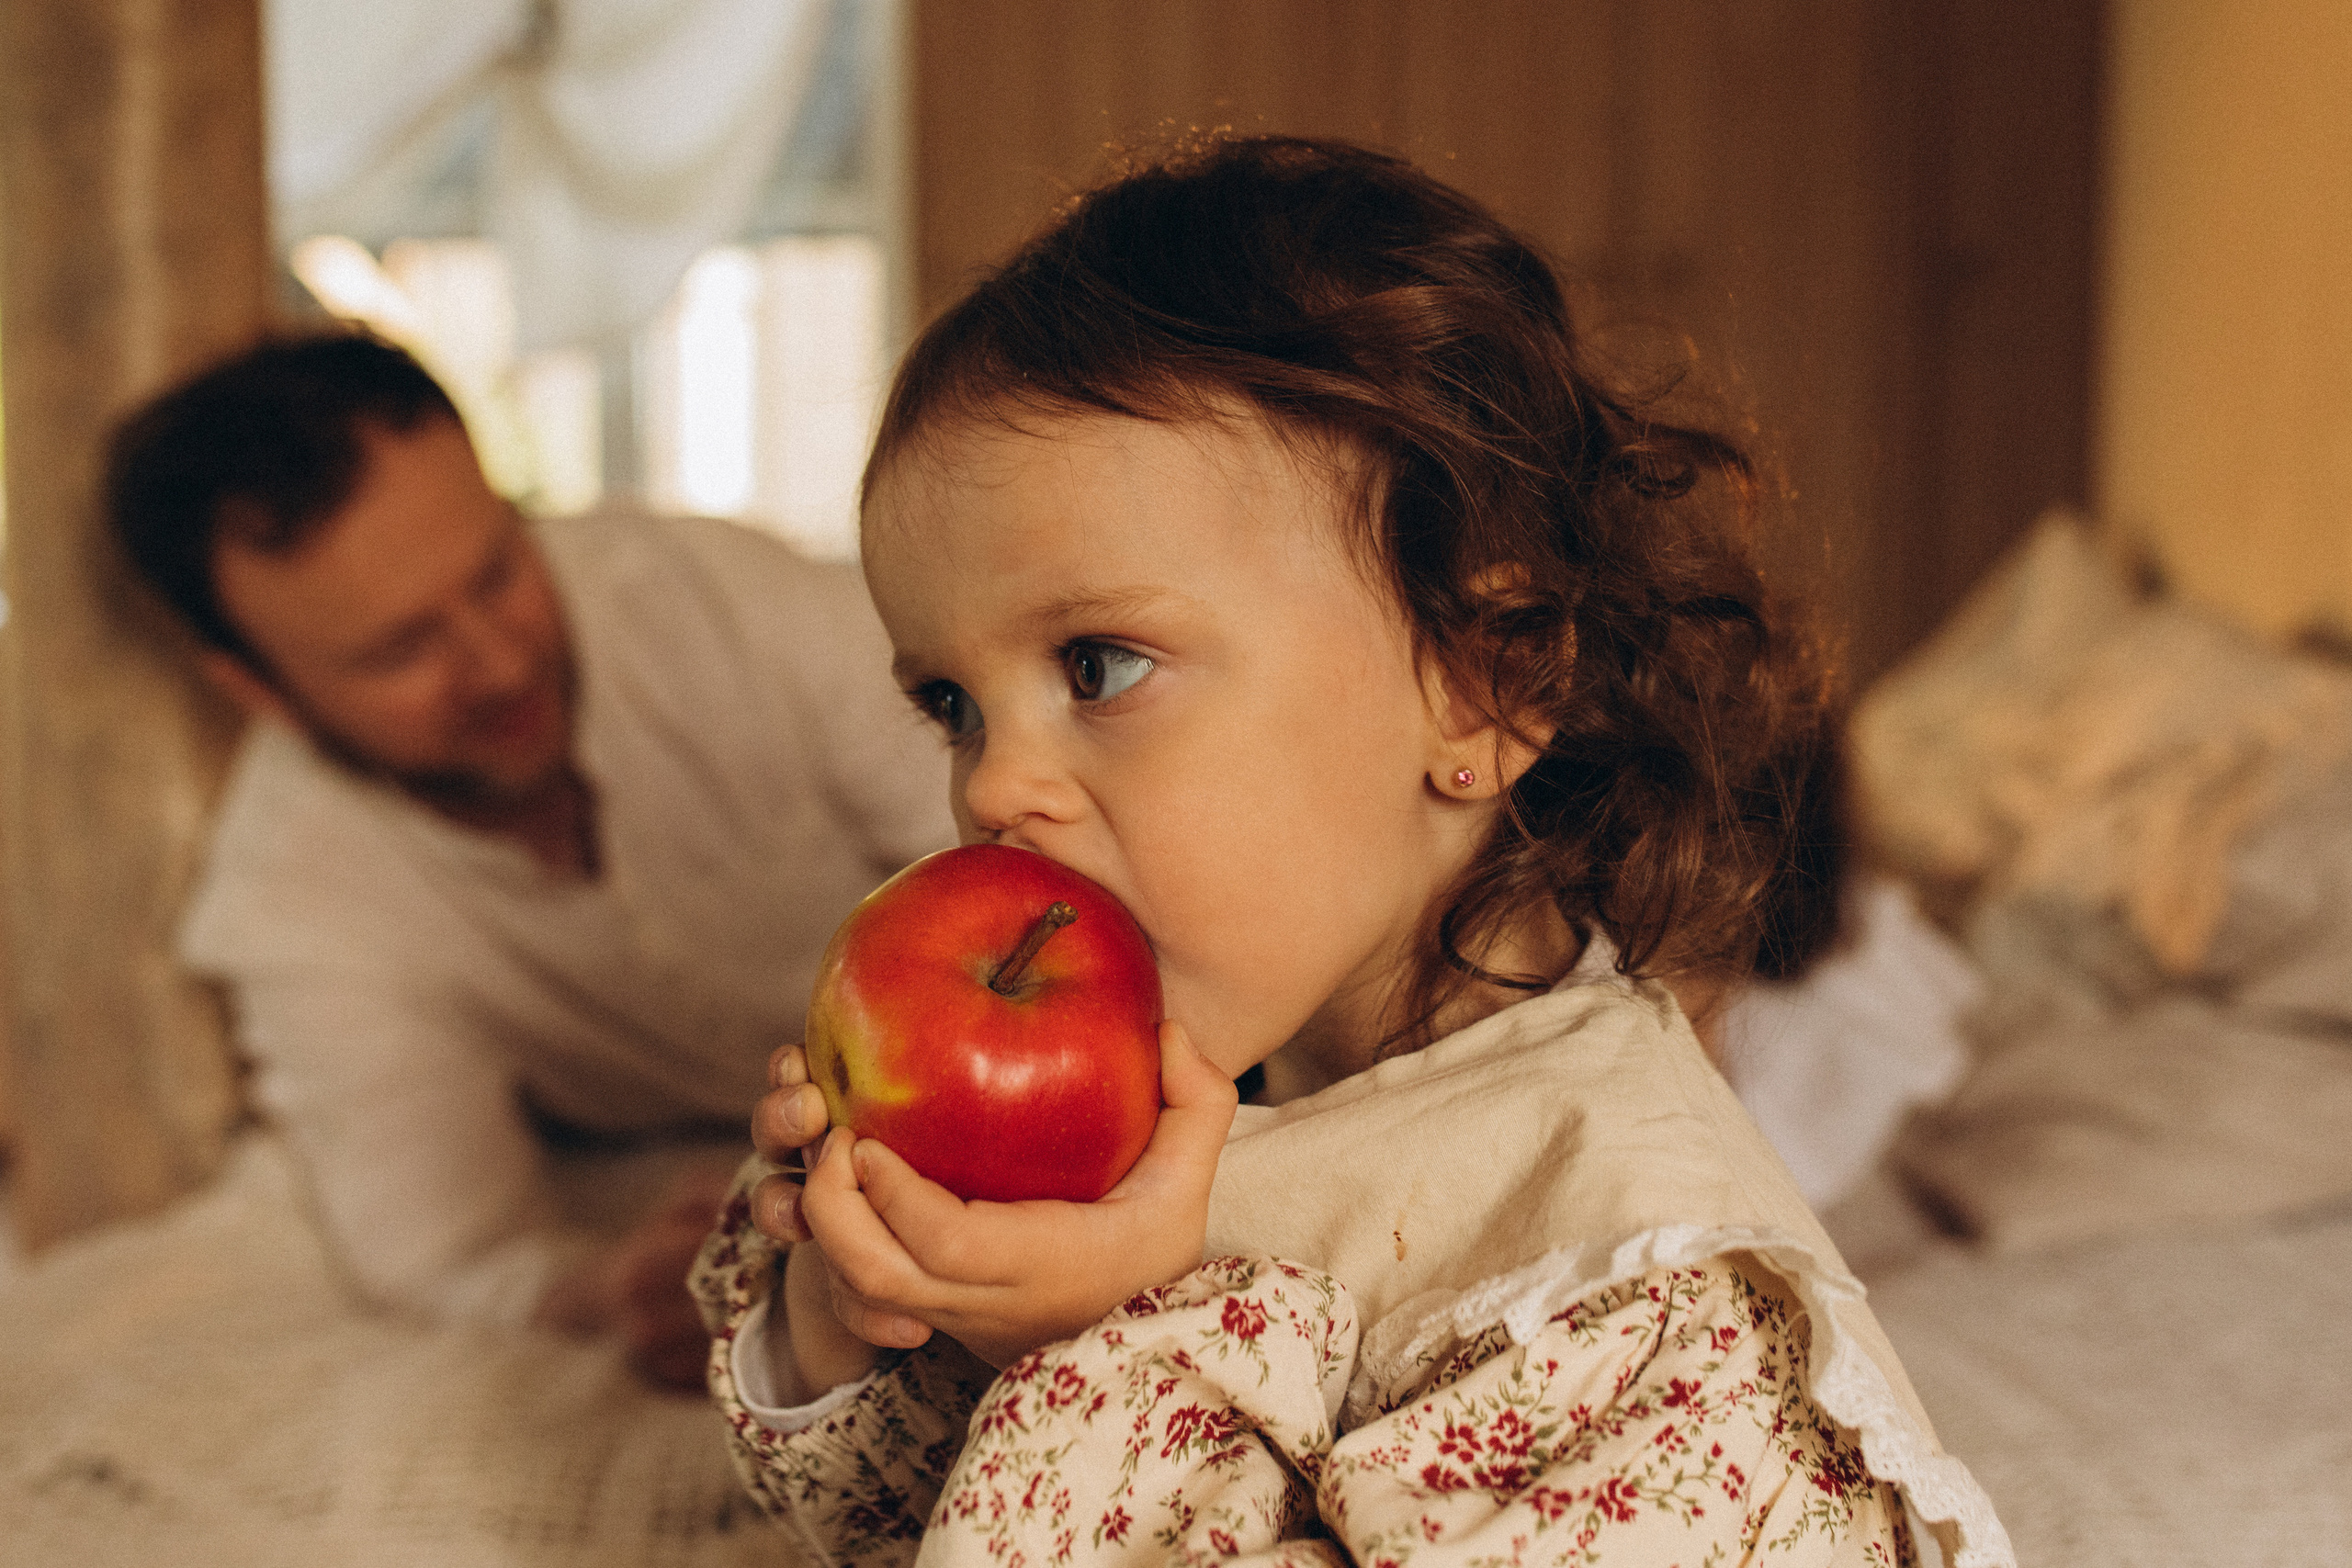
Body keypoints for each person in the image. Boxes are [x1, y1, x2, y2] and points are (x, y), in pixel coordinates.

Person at [689, 137, 2010, 1564]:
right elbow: (908, 1523)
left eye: (1101, 663)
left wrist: (1111, 1331)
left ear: (1484, 680)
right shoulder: (1179, 1057)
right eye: (951, 703)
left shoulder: (1639, 1289)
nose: (994, 783)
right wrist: (855, 1310)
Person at [107, 335, 952, 1386]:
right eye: (400, 650)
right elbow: (454, 1254)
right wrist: (614, 1288)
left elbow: (1022, 859)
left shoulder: (723, 600)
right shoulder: (294, 902)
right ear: (259, 690)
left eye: (498, 571)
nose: (499, 663)